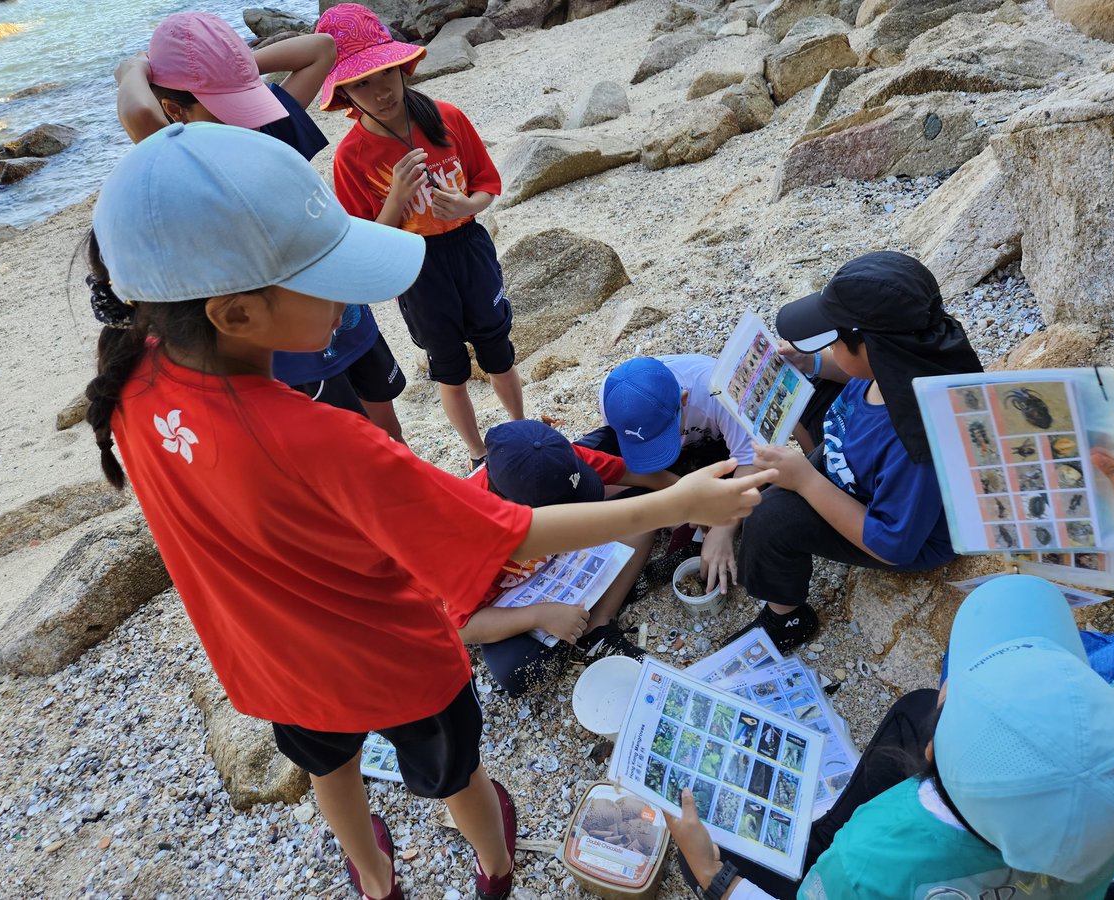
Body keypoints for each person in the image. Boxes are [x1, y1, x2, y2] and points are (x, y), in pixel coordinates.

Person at [82, 124, 776, 900]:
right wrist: (680, 501)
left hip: (266, 664)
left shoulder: (131, 384)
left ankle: (375, 881)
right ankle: (495, 863)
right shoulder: (324, 440)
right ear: (234, 314)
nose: (351, 295)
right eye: (327, 276)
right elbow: (509, 530)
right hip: (392, 669)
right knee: (455, 776)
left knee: (331, 771)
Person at [670, 435, 1114, 900]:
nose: (943, 689)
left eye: (955, 690)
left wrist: (718, 879)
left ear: (932, 751)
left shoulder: (868, 862)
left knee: (705, 860)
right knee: (914, 707)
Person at [113, 11, 408, 441]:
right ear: (175, 110)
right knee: (349, 439)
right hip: (303, 340)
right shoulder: (204, 161)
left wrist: (140, 69)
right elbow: (142, 113)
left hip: (336, 319)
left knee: (384, 430)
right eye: (228, 108)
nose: (244, 119)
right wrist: (229, 70)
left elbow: (322, 48)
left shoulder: (253, 129)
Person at [730, 252, 984, 653]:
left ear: (873, 348)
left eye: (831, 338)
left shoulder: (916, 439)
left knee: (769, 515)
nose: (827, 346)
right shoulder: (915, 351)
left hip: (901, 534)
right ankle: (818, 481)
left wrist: (808, 482)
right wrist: (811, 361)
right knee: (804, 392)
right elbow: (852, 364)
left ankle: (786, 617)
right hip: (862, 462)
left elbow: (892, 543)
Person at [319, 3, 522, 468]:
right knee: (447, 367)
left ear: (401, 66)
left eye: (384, 74)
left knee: (498, 349)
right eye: (361, 83)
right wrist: (396, 198)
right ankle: (478, 454)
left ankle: (521, 423)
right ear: (345, 93)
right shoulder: (352, 156)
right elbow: (363, 239)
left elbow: (486, 181)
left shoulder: (445, 116)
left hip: (468, 247)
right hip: (414, 264)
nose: (379, 91)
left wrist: (467, 206)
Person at [455, 420, 677, 693]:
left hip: (566, 560)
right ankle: (587, 612)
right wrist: (538, 616)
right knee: (521, 671)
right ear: (517, 509)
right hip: (512, 599)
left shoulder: (551, 462)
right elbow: (459, 627)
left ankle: (597, 623)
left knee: (645, 508)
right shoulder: (463, 536)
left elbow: (633, 474)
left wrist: (689, 502)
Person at [581, 355, 757, 594]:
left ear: (683, 400)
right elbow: (625, 462)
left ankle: (693, 523)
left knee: (756, 496)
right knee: (591, 463)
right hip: (670, 468)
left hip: (715, 448)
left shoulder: (716, 390)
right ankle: (680, 523)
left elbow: (751, 459)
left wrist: (725, 527)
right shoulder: (612, 398)